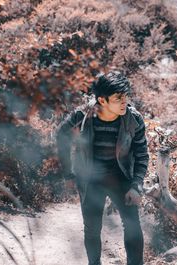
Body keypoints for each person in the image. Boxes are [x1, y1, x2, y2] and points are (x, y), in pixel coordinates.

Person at [56, 71, 149, 265]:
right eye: (118, 98)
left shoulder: (134, 119)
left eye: (125, 97)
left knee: (133, 226)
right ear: (102, 100)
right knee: (92, 228)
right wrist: (68, 173)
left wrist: (136, 186)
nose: (124, 102)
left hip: (122, 176)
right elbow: (61, 136)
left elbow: (141, 155)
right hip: (91, 179)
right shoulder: (82, 115)